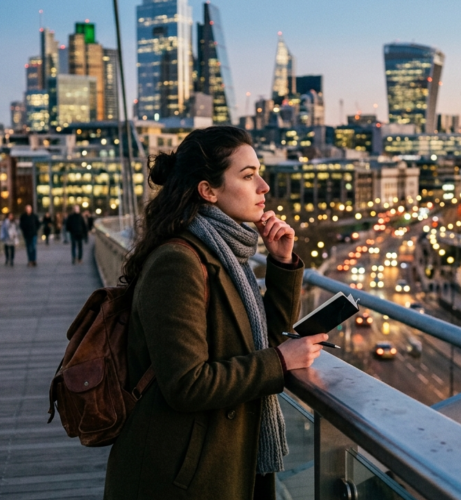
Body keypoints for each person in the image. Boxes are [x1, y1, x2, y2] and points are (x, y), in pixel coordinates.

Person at [103, 126, 325, 500]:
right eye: (248, 175)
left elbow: (262, 339)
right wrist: (279, 363)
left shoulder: (226, 255)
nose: (264, 187)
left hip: (218, 459)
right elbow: (187, 384)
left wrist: (282, 263)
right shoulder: (178, 262)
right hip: (179, 476)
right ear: (208, 191)